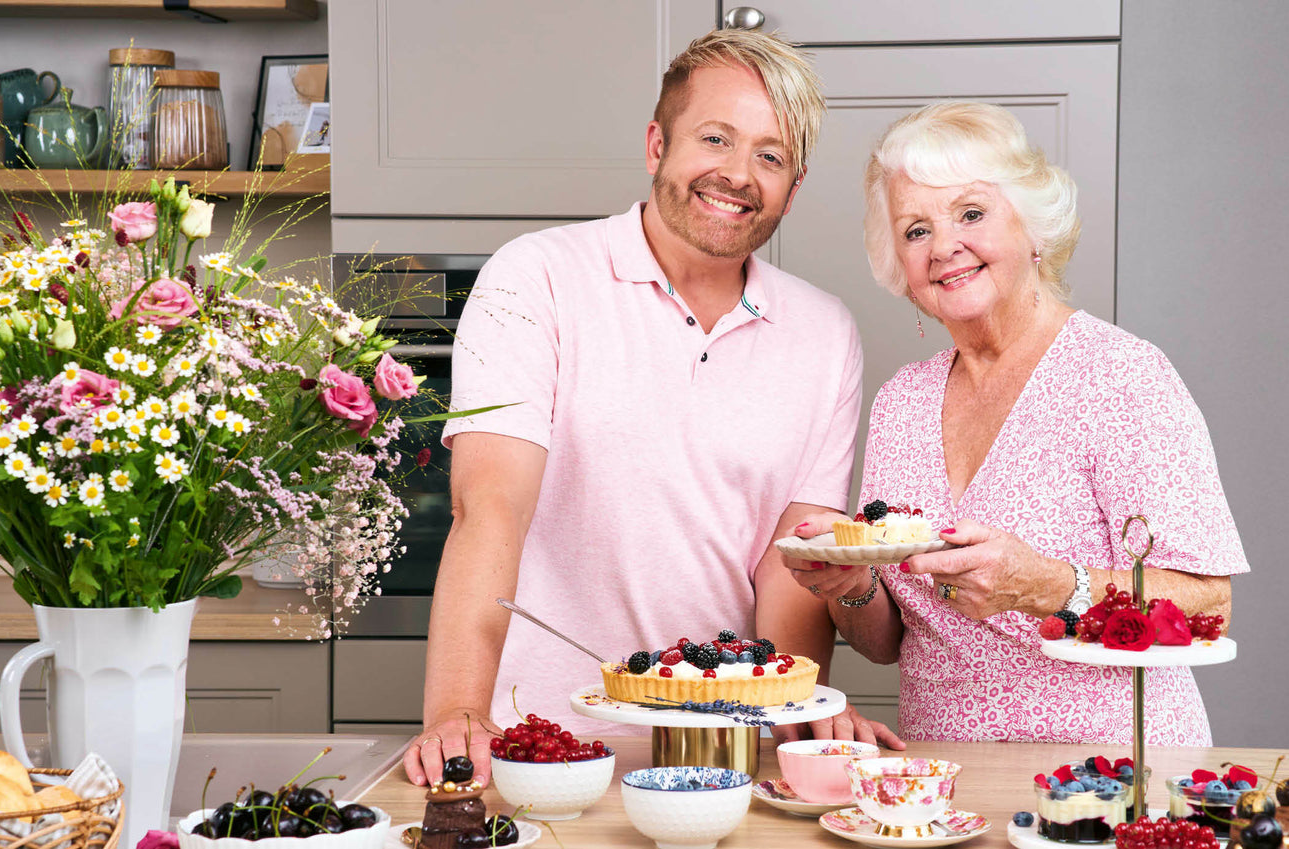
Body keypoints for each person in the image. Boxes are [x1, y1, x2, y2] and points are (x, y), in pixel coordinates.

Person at [404, 29, 906, 788]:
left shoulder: (824, 330)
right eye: (714, 138)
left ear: (792, 189)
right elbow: (490, 508)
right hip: (538, 740)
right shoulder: (534, 277)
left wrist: (799, 707)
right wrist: (455, 711)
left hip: (719, 749)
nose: (737, 175)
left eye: (769, 157)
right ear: (655, 146)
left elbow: (788, 563)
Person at [787, 101, 1247, 744]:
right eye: (915, 230)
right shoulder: (902, 402)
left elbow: (1208, 602)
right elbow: (888, 642)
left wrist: (1050, 586)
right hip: (944, 786)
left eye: (971, 214)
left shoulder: (1121, 376)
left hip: (1109, 774)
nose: (944, 246)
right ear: (900, 265)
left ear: (1032, 229)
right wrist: (851, 583)